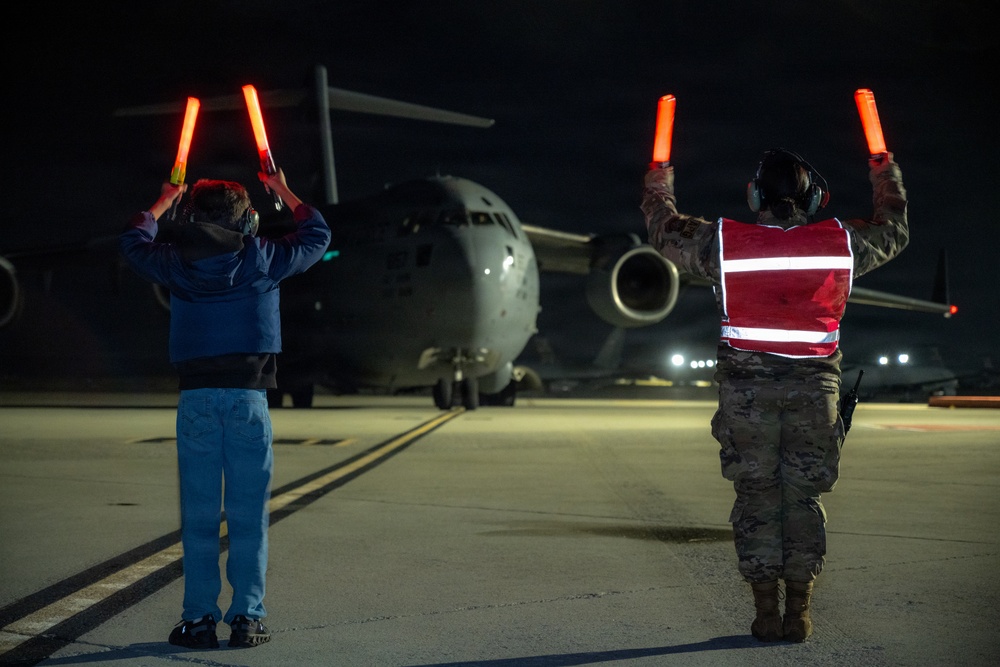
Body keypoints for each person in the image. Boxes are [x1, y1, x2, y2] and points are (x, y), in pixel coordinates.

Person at [641, 147, 908, 642]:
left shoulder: (724, 243)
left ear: (755, 196)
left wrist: (659, 179)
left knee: (756, 495)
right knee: (803, 497)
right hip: (814, 394)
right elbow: (893, 228)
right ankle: (799, 611)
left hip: (747, 397)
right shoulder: (839, 242)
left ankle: (765, 611)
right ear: (814, 199)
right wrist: (883, 171)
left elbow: (663, 227)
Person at [119, 169, 331, 649]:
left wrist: (163, 200)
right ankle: (247, 619)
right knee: (248, 518)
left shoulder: (174, 262)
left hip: (196, 398)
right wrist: (282, 189)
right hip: (248, 399)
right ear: (249, 221)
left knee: (198, 518)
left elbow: (132, 241)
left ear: (192, 218)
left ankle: (197, 621)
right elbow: (317, 233)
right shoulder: (266, 258)